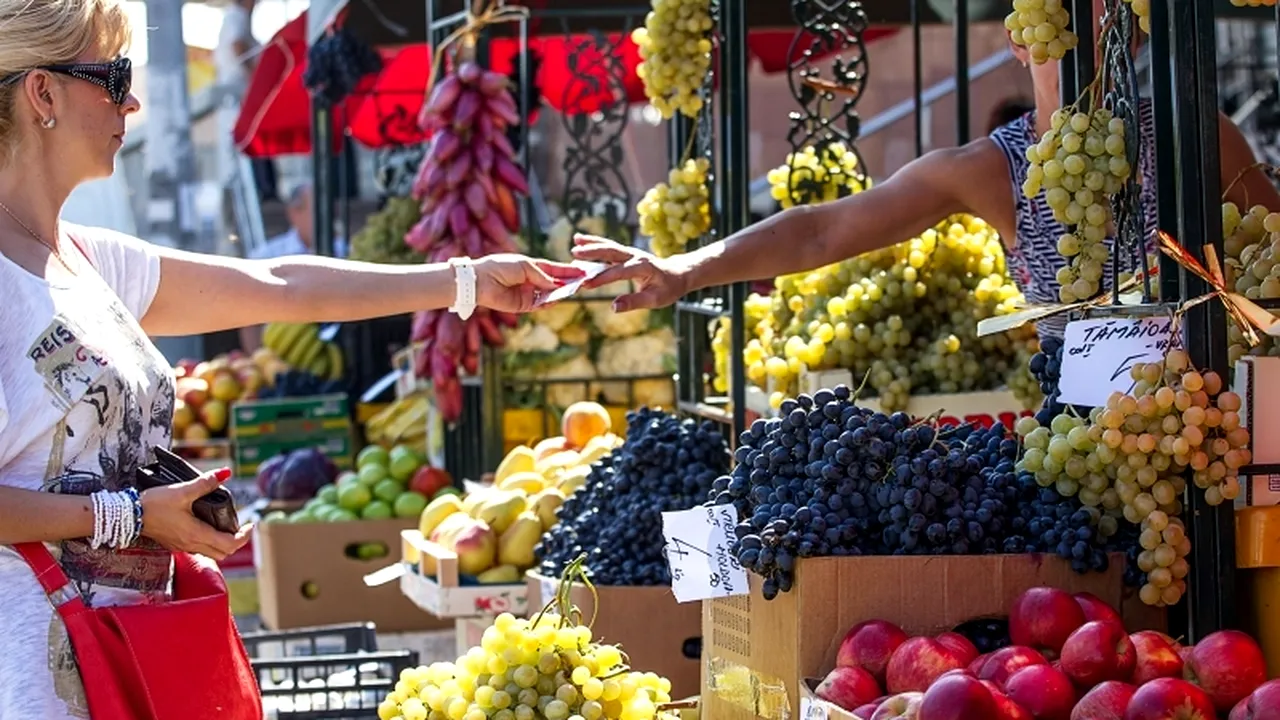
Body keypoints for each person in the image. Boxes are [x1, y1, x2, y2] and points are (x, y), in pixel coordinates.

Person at [0, 0, 580, 716]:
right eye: (114, 76)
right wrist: (132, 515)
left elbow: (279, 283)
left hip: (131, 653)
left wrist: (461, 280)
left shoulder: (88, 261)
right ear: (43, 92)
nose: (133, 99)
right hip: (30, 676)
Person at [574, 2, 1280, 342]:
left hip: (1204, 433)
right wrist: (683, 270)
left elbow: (1272, 256)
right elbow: (823, 232)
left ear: (1125, 22)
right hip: (1090, 452)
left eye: (1098, 9)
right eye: (1061, 13)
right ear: (1017, 38)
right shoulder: (991, 171)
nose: (1083, 30)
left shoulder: (1193, 133)